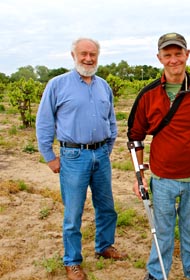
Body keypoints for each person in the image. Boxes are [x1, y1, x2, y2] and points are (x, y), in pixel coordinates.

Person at [127, 32, 190, 280]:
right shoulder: (147, 95)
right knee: (162, 229)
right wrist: (138, 176)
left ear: (187, 55)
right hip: (161, 178)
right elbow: (135, 136)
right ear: (159, 57)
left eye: (178, 54)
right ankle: (157, 272)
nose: (173, 60)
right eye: (167, 55)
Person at [36, 38, 127, 280]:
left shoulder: (103, 85)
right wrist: (49, 156)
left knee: (107, 207)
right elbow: (44, 122)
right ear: (73, 55)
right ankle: (72, 261)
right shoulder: (57, 85)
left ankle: (104, 246)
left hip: (101, 155)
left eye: (93, 54)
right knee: (73, 212)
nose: (88, 59)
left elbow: (111, 121)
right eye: (84, 54)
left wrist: (106, 149)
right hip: (73, 156)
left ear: (98, 56)